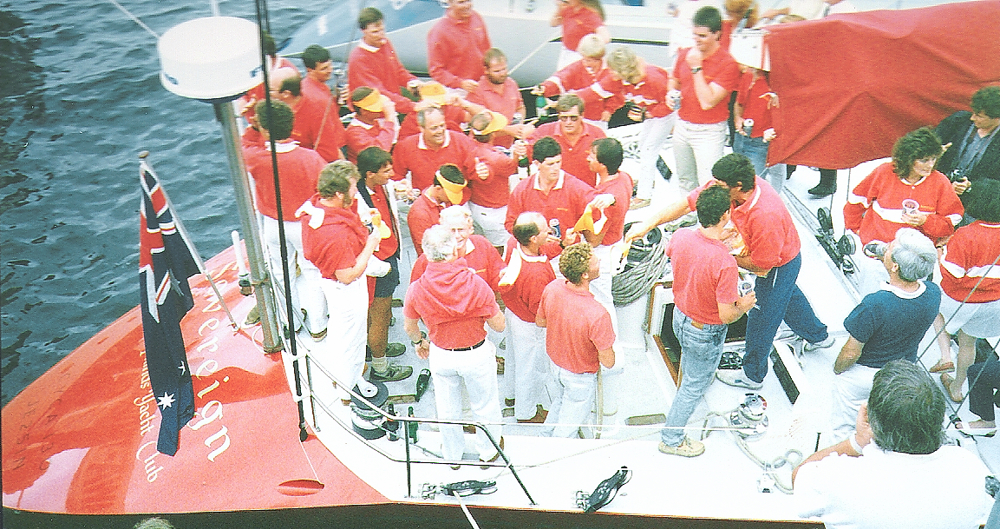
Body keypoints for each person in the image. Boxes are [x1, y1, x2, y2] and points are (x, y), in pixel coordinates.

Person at [627, 154, 830, 390]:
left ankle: (752, 376)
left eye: (720, 185)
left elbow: (762, 267)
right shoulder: (728, 186)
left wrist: (725, 254)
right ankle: (818, 336)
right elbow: (685, 205)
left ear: (739, 187)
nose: (714, 187)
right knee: (788, 296)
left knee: (762, 317)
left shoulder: (766, 215)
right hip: (765, 254)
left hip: (778, 264)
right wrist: (647, 224)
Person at [793, 360, 994, 529]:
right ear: (937, 419)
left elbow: (799, 476)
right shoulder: (969, 468)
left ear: (870, 418)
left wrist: (857, 442)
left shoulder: (838, 477)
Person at [659, 186, 756, 457]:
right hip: (704, 332)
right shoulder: (725, 263)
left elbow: (677, 255)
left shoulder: (680, 236)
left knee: (689, 372)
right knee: (693, 387)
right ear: (726, 215)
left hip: (680, 319)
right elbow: (727, 315)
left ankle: (687, 386)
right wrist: (744, 305)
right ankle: (672, 438)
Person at [404, 225, 505, 467]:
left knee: (447, 408)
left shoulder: (417, 288)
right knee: (485, 405)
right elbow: (499, 326)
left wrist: (420, 342)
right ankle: (488, 452)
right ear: (456, 250)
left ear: (426, 254)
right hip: (475, 353)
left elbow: (409, 326)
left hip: (441, 354)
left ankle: (452, 455)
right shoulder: (477, 284)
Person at [829, 228, 940, 440]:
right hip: (899, 373)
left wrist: (838, 370)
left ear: (896, 266)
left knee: (844, 429)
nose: (885, 248)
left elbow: (851, 353)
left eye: (889, 249)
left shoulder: (875, 304)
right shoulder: (933, 294)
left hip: (863, 374)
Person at [299, 161, 383, 403]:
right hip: (346, 289)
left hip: (330, 284)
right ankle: (348, 389)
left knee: (339, 333)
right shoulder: (335, 234)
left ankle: (340, 378)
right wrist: (371, 242)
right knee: (354, 340)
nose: (356, 192)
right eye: (353, 188)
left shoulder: (315, 211)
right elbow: (347, 275)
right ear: (338, 194)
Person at [243, 100, 328, 338]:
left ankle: (291, 322)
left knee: (282, 273)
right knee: (312, 272)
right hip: (304, 225)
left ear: (265, 129)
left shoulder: (256, 157)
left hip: (273, 225)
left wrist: (254, 126)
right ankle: (318, 325)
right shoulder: (311, 158)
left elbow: (245, 144)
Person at [844, 127, 964, 295]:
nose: (930, 165)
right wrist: (860, 232)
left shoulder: (940, 182)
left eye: (933, 159)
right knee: (871, 299)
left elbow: (950, 225)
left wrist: (926, 221)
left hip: (913, 262)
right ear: (909, 158)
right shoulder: (884, 172)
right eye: (924, 160)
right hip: (877, 256)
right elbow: (856, 202)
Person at [536, 243, 616, 437]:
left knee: (560, 402)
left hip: (556, 365)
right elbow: (609, 361)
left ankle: (545, 436)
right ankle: (556, 454)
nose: (600, 262)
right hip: (579, 377)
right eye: (595, 261)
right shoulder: (597, 314)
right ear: (585, 275)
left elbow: (540, 321)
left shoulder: (552, 288)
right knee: (569, 426)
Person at [934, 180, 1000, 403]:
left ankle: (945, 356)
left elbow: (952, 274)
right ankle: (957, 387)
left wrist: (941, 253)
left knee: (934, 307)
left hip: (961, 299)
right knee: (968, 343)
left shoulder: (966, 234)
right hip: (994, 302)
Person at [669, 6, 741, 194]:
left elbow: (708, 102)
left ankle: (709, 221)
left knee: (709, 183)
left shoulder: (728, 64)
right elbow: (674, 79)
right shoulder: (685, 53)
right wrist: (670, 93)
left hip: (708, 131)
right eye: (694, 35)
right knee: (685, 178)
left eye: (702, 36)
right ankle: (689, 215)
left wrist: (696, 68)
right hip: (683, 125)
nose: (696, 40)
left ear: (717, 34)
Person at [356, 147, 412, 383]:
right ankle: (380, 367)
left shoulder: (379, 186)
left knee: (382, 311)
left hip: (389, 255)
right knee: (378, 315)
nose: (392, 173)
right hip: (379, 263)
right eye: (386, 171)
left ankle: (377, 347)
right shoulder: (359, 201)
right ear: (370, 174)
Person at [499, 212, 557, 424]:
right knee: (531, 368)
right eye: (544, 231)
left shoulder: (514, 245)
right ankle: (526, 412)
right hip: (531, 325)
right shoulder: (536, 274)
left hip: (514, 313)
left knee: (514, 360)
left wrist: (560, 244)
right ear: (533, 238)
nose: (549, 232)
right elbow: (539, 310)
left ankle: (511, 395)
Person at [505, 136, 601, 260]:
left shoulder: (576, 188)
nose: (556, 168)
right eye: (550, 164)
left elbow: (598, 214)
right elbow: (510, 223)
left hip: (569, 256)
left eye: (558, 162)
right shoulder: (522, 190)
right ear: (537, 164)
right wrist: (534, 238)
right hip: (535, 256)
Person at [603, 45, 674, 209]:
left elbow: (670, 105)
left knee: (649, 149)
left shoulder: (654, 79)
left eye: (613, 69)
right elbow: (620, 96)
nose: (610, 73)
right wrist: (609, 110)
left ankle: (644, 196)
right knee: (643, 147)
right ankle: (648, 180)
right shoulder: (626, 82)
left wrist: (646, 115)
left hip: (666, 114)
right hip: (652, 111)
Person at [586, 138, 632, 329]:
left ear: (602, 165)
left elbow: (594, 240)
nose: (587, 157)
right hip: (615, 244)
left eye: (592, 155)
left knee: (602, 301)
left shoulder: (602, 203)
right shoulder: (624, 177)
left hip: (603, 252)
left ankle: (611, 347)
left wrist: (584, 219)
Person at [393, 106, 489, 192]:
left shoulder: (462, 141)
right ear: (421, 128)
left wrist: (482, 173)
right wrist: (401, 187)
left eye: (442, 125)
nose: (440, 131)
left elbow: (477, 169)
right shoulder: (406, 146)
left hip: (458, 201)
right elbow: (395, 175)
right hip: (425, 202)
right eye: (434, 128)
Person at [533, 34, 619, 129]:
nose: (587, 63)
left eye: (591, 60)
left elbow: (616, 93)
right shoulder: (576, 67)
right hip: (573, 118)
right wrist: (545, 87)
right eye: (585, 59)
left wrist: (609, 109)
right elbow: (561, 78)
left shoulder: (610, 71)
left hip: (597, 120)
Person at [347, 7, 421, 117]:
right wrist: (412, 106)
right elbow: (378, 93)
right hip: (375, 117)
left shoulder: (385, 43)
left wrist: (412, 82)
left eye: (382, 30)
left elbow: (398, 70)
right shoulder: (358, 59)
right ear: (363, 31)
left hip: (392, 109)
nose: (381, 35)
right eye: (375, 32)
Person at [936, 86, 1000, 210]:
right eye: (974, 113)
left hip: (975, 204)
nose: (972, 118)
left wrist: (971, 187)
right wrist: (933, 153)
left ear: (997, 118)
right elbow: (927, 142)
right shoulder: (958, 121)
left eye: (979, 116)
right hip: (938, 187)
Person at [466, 110, 520, 249]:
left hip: (475, 206)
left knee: (480, 244)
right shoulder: (498, 159)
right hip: (495, 212)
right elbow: (512, 167)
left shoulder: (469, 144)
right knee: (501, 247)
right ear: (493, 133)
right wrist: (516, 154)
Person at [527, 94, 606, 186]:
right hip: (553, 194)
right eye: (564, 118)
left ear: (582, 115)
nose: (568, 122)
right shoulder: (544, 131)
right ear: (558, 116)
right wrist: (520, 144)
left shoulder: (596, 134)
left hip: (585, 192)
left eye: (573, 118)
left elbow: (607, 168)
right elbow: (525, 157)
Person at [270, 69, 346, 163]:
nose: (267, 93)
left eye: (271, 90)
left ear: (286, 94)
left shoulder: (316, 113)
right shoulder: (273, 107)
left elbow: (328, 154)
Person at [466, 48, 532, 148]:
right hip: (484, 147)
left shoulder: (511, 84)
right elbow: (478, 124)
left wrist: (519, 125)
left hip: (508, 145)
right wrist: (509, 130)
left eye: (504, 69)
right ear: (486, 70)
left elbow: (520, 107)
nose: (502, 74)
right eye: (497, 71)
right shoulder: (477, 91)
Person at [732, 67, 781, 192]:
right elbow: (739, 103)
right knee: (737, 182)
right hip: (741, 138)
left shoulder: (779, 82)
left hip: (762, 142)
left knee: (752, 188)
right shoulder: (748, 76)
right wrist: (738, 118)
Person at [427, 0, 492, 92]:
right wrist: (461, 83)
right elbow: (437, 71)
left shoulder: (476, 17)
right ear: (450, 3)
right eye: (461, 2)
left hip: (481, 85)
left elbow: (487, 51)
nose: (467, 6)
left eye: (468, 1)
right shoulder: (439, 32)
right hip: (457, 90)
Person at [407, 164, 469, 256]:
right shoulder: (419, 213)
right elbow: (429, 248)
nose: (452, 200)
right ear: (438, 189)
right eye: (450, 195)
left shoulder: (445, 199)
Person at [550, 0, 610, 70]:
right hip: (566, 52)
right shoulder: (567, 10)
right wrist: (559, 8)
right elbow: (553, 23)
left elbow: (606, 38)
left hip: (580, 56)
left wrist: (591, 47)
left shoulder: (590, 14)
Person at [344, 87, 397, 163]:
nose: (381, 109)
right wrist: (389, 119)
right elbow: (378, 154)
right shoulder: (354, 133)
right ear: (363, 111)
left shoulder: (374, 122)